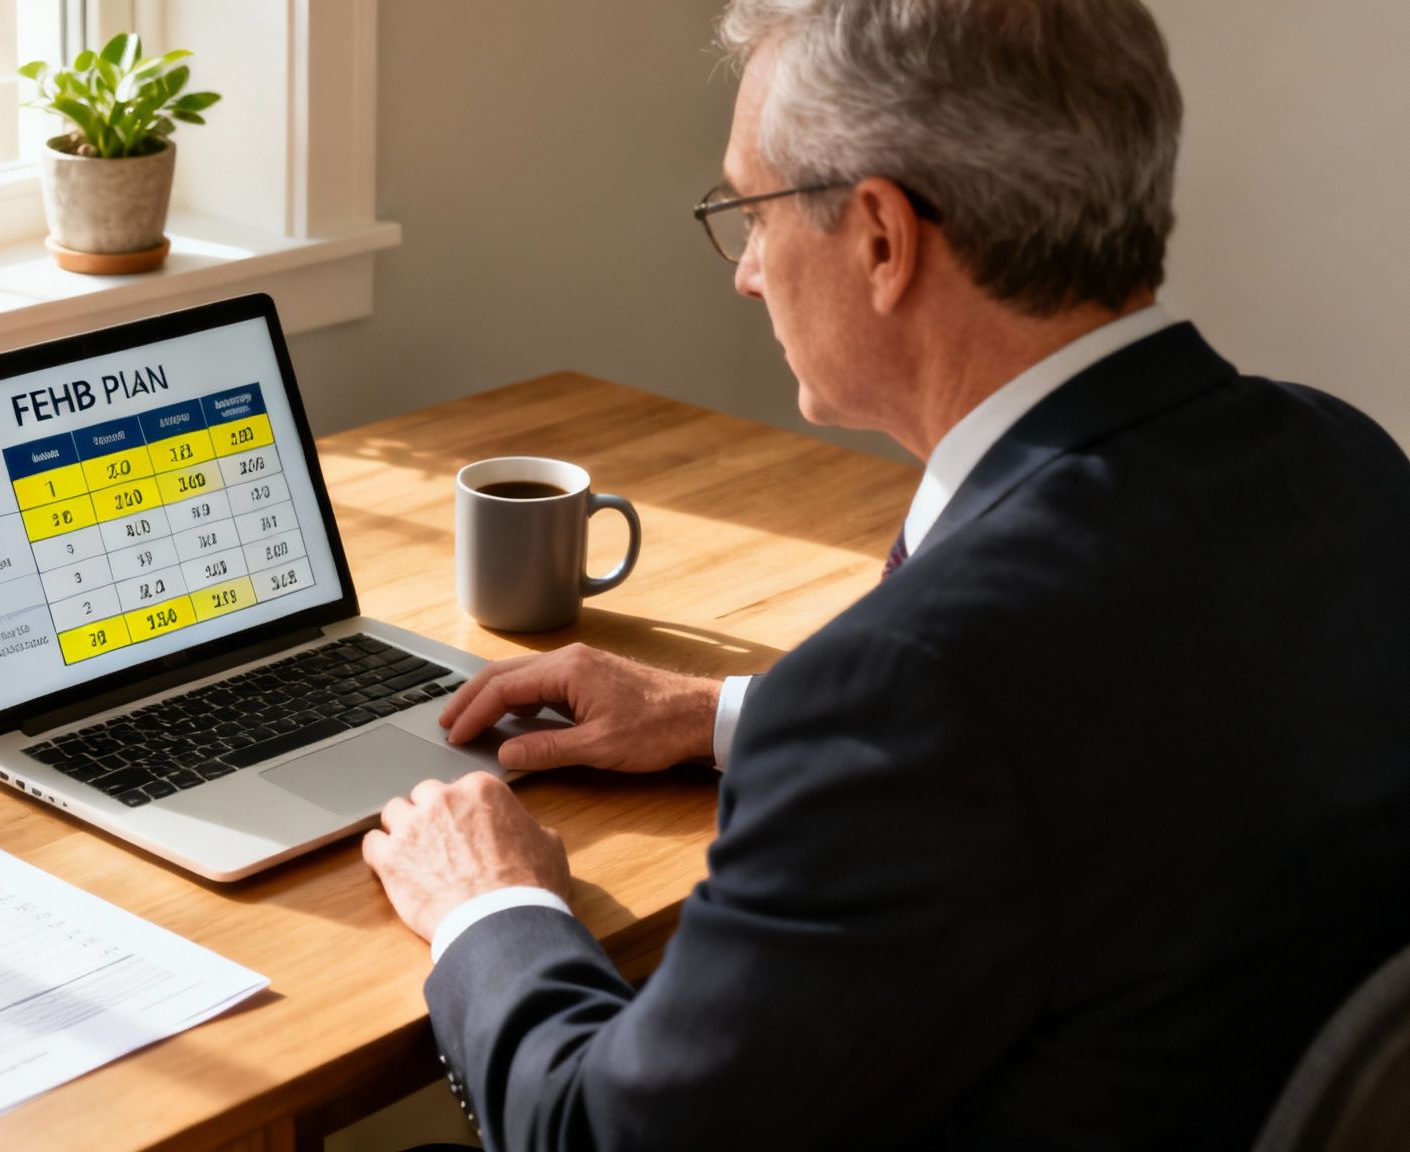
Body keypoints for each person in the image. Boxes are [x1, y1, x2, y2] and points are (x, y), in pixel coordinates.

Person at [360, 1, 1410, 1148]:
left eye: (747, 213)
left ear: (878, 236)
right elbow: (1114, 735)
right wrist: (720, 715)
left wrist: (488, 902)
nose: (745, 275)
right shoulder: (1341, 461)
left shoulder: (911, 690)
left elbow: (599, 1134)